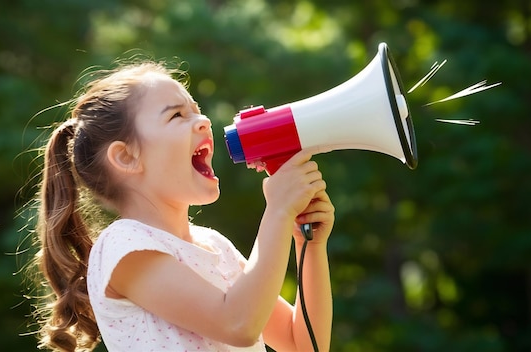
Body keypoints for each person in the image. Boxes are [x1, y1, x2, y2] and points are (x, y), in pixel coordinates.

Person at [30, 60, 334, 352]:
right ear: (126, 157)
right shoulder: (123, 247)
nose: (203, 121)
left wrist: (308, 244)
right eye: (176, 116)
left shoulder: (215, 247)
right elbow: (238, 324)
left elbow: (302, 345)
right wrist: (278, 213)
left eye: (197, 111)